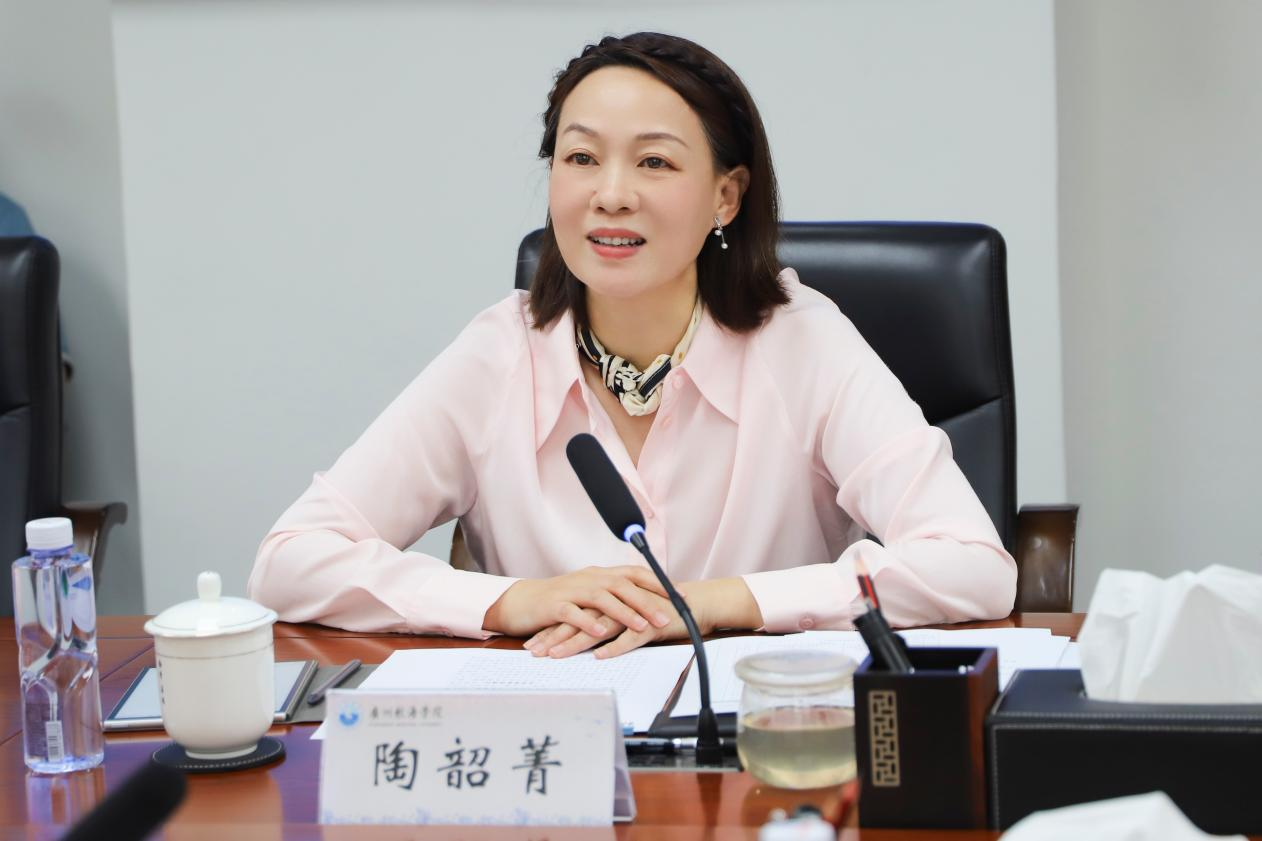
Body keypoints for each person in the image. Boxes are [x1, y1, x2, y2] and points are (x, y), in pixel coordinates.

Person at [247, 32, 1016, 659]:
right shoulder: (499, 354)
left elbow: (972, 565)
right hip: (556, 748)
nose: (610, 194)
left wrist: (719, 602)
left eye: (654, 162)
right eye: (581, 158)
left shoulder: (803, 343)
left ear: (726, 196)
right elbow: (291, 559)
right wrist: (513, 601)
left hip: (763, 739)